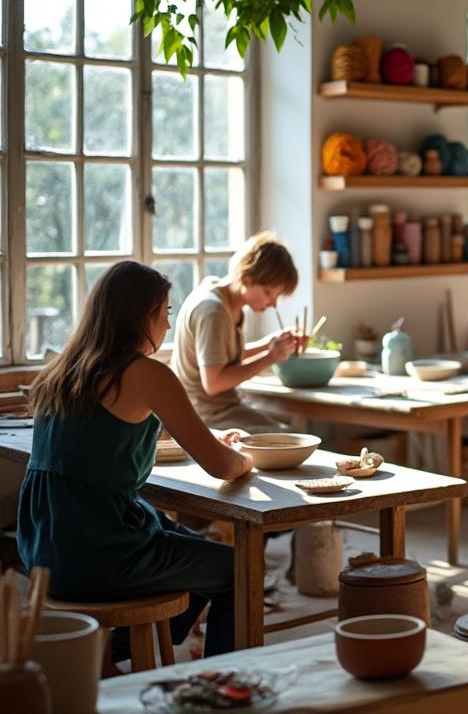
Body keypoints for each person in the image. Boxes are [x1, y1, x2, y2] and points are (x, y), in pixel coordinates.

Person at [18, 261, 254, 659]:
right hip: (97, 551)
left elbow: (110, 433)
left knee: (195, 547)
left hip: (44, 549)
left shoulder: (62, 371)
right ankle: (220, 682)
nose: (167, 325)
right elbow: (221, 467)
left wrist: (206, 438)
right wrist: (245, 458)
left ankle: (122, 649)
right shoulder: (144, 372)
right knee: (238, 569)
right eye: (164, 313)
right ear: (142, 315)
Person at [171, 231, 302, 432]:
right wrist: (270, 357)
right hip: (204, 415)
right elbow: (213, 383)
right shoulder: (213, 311)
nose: (273, 304)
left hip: (223, 406)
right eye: (269, 293)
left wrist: (269, 344)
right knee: (288, 436)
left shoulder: (229, 300)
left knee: (289, 418)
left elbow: (222, 358)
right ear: (247, 279)